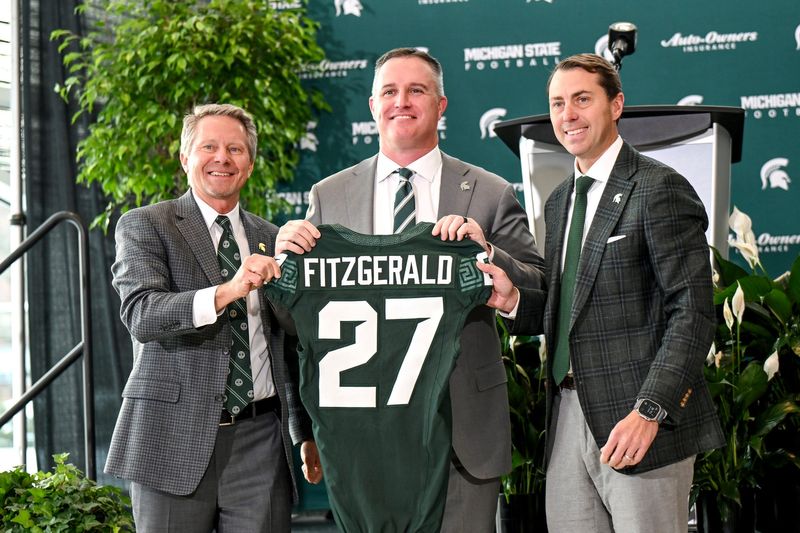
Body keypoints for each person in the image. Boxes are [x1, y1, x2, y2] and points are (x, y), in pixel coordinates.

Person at [276, 47, 546, 532]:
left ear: (441, 105)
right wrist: (283, 264)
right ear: (373, 106)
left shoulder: (488, 192)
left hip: (463, 431)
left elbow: (540, 293)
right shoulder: (328, 196)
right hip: (368, 438)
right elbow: (297, 321)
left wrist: (490, 255)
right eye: (390, 91)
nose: (402, 101)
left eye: (417, 90)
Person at [477, 53, 725, 532]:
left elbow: (692, 312)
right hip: (568, 417)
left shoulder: (659, 188)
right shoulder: (559, 200)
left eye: (582, 99)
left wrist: (651, 410)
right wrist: (514, 301)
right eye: (557, 103)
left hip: (639, 421)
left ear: (616, 106)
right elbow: (570, 305)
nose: (567, 114)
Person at [105, 103, 322, 532]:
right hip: (170, 437)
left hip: (261, 439)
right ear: (186, 157)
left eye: (235, 149)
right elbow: (143, 314)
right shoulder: (146, 225)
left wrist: (304, 431)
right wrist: (228, 291)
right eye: (209, 146)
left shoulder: (271, 238)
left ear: (250, 164)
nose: (222, 158)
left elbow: (290, 346)